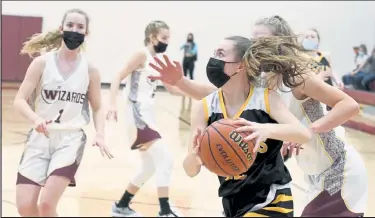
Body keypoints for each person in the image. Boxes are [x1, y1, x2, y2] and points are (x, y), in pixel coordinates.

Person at [149, 15, 368, 217]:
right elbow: (216, 94)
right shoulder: (262, 79)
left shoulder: (296, 76)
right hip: (314, 175)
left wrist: (306, 132)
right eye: (252, 39)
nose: (254, 45)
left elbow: (349, 105)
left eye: (261, 39)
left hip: (338, 169)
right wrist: (180, 82)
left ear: (279, 42)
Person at [155, 35, 312, 217]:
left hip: (272, 200)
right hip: (233, 203)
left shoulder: (265, 99)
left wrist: (265, 129)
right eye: (214, 53)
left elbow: (303, 134)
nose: (214, 59)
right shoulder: (204, 107)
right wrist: (195, 156)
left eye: (221, 54)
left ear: (241, 65)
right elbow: (190, 171)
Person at [13, 8, 113, 217]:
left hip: (70, 139)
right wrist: (35, 118)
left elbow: (97, 106)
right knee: (25, 207)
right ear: (61, 29)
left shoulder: (90, 69)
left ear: (86, 34)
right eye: (70, 25)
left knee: (47, 205)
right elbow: (19, 101)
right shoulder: (41, 63)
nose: (74, 30)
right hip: (39, 139)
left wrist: (101, 134)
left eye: (80, 27)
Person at [106, 20, 181, 217]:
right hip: (136, 114)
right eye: (164, 38)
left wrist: (197, 93)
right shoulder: (142, 55)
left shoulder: (159, 60)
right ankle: (165, 211)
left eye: (168, 38)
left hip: (147, 114)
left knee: (149, 166)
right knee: (165, 160)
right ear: (152, 37)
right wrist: (112, 104)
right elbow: (117, 77)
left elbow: (173, 90)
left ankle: (121, 206)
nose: (167, 42)